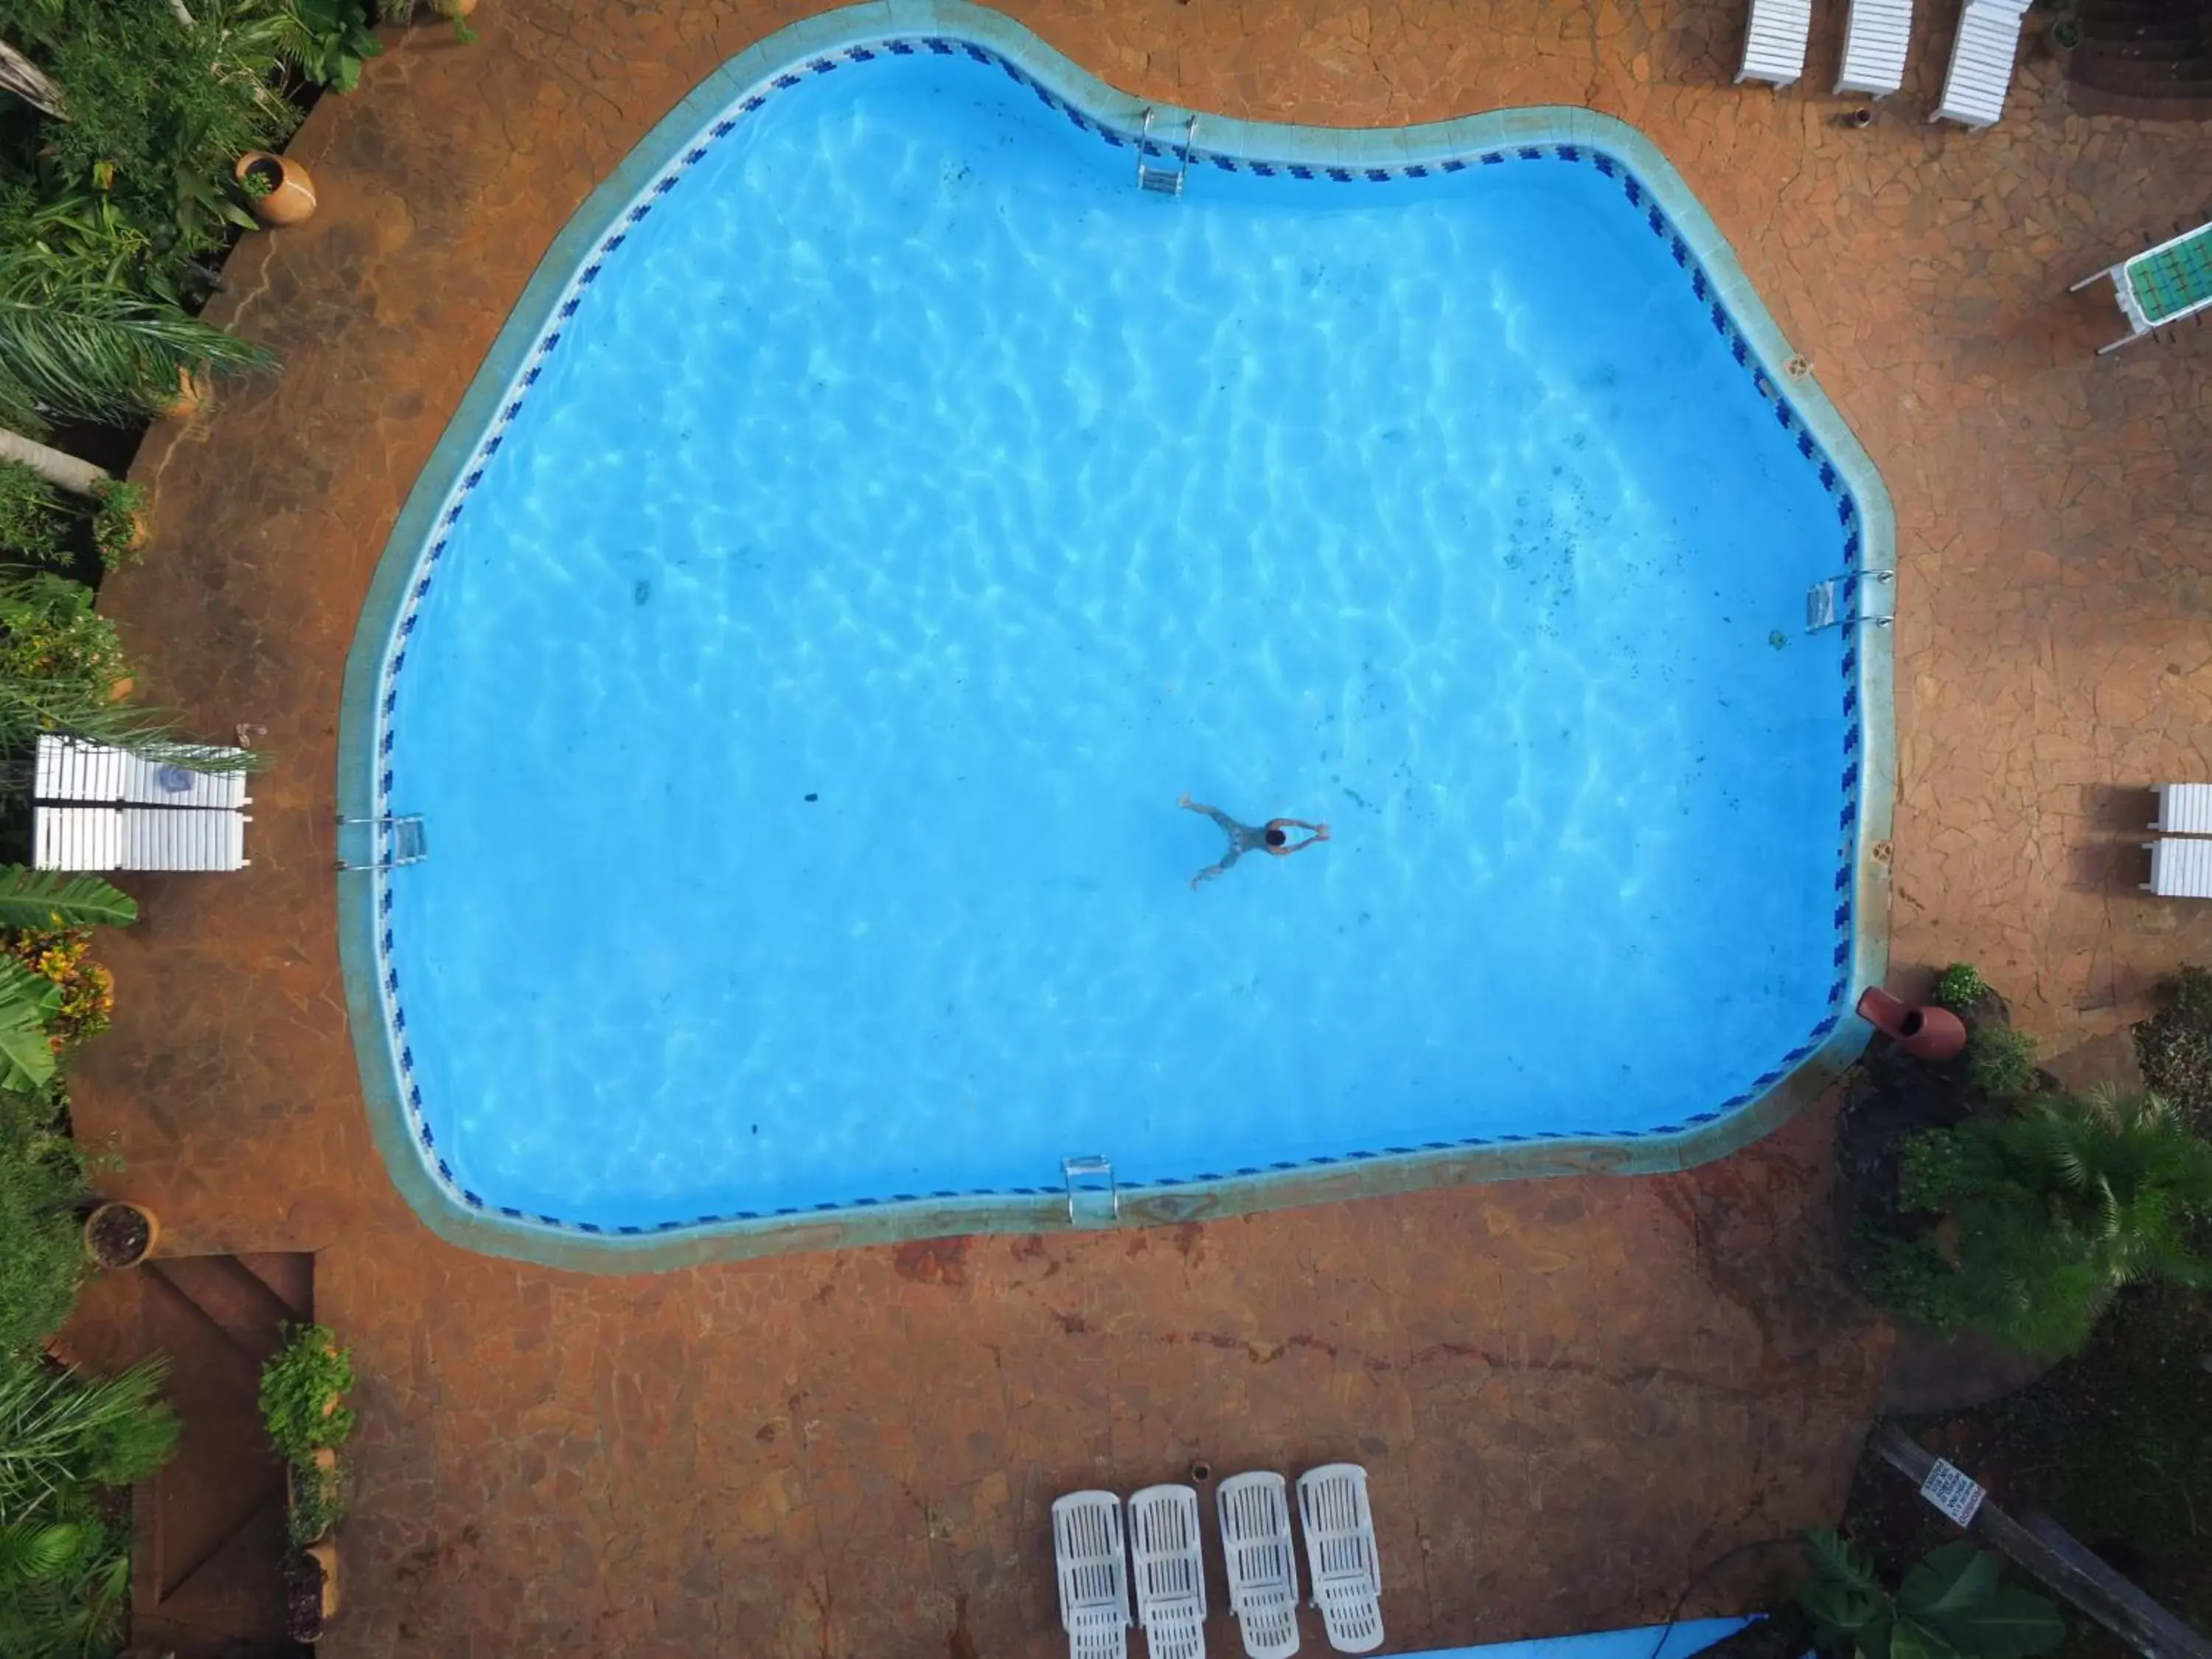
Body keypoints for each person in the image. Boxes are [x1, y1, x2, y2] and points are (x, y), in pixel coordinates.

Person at [1178, 793, 1329, 890]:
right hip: (1239, 848)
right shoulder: (1273, 850)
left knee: (1214, 812)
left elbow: (1294, 822)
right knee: (1222, 867)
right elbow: (1297, 847)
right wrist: (1314, 839)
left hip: (1236, 832)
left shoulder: (1272, 825)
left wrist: (1314, 827)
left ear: (1275, 831)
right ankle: (1197, 878)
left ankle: (1187, 804)